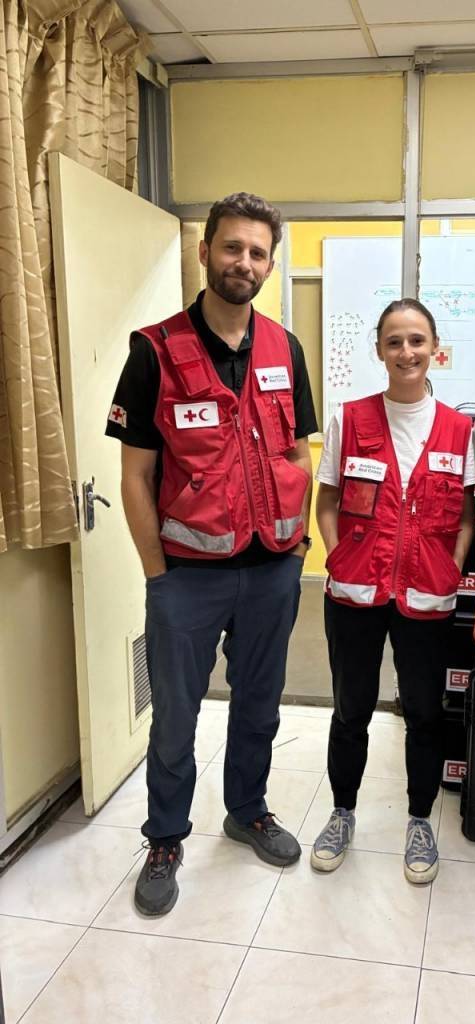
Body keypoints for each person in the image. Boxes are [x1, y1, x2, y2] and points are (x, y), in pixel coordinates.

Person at [105, 193, 318, 916]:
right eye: (232, 248)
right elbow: (135, 475)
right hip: (187, 580)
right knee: (174, 718)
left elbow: (297, 452)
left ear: (268, 261)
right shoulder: (155, 350)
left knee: (258, 707)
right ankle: (165, 836)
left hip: (271, 571)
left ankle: (246, 809)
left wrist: (295, 551)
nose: (244, 263)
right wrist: (157, 577)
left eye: (258, 252)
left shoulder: (285, 349)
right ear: (205, 252)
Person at [311, 299, 475, 883]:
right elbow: (326, 500)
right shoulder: (350, 418)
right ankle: (341, 811)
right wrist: (337, 554)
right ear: (379, 350)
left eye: (417, 341)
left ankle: (419, 822)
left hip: (428, 596)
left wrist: (452, 567)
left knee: (425, 714)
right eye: (394, 341)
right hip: (356, 590)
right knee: (350, 710)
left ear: (435, 349)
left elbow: (464, 515)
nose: (406, 352)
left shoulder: (462, 429)